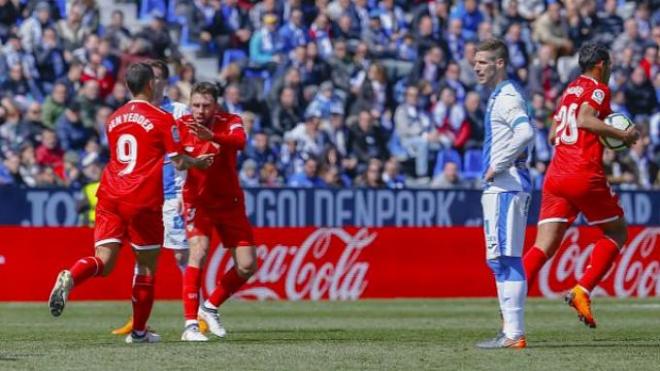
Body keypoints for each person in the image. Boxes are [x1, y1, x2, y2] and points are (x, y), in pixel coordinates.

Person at [47, 63, 213, 344]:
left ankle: (72, 277)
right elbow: (179, 160)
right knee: (146, 268)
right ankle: (138, 333)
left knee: (104, 261)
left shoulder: (113, 118)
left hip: (110, 194)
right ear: (150, 85)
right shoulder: (162, 118)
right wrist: (199, 162)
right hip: (142, 199)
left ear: (128, 87)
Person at [522, 43, 640, 328]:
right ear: (600, 64)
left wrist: (593, 136)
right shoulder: (598, 88)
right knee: (616, 231)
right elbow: (585, 119)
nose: (610, 70)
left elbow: (553, 135)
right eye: (609, 65)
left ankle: (511, 299)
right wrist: (621, 135)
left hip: (555, 175)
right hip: (582, 173)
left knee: (544, 245)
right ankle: (582, 289)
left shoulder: (570, 90)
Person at [110, 59, 206, 336]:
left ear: (164, 82)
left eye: (160, 78)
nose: (155, 83)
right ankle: (137, 319)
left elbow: (189, 147)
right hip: (144, 195)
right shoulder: (133, 112)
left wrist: (187, 188)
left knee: (181, 254)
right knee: (142, 257)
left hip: (173, 192)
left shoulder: (177, 111)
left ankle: (195, 316)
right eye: (152, 78)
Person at [177, 82, 258, 341]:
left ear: (216, 105)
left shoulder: (230, 121)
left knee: (247, 265)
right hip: (198, 203)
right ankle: (190, 325)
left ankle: (209, 307)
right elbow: (176, 160)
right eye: (196, 105)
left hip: (230, 203)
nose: (200, 110)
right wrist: (193, 163)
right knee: (197, 254)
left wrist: (211, 137)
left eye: (206, 105)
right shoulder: (181, 126)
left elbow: (240, 142)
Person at [473, 39, 535, 350]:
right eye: (475, 61)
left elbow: (525, 133)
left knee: (506, 259)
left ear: (499, 64)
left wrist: (497, 165)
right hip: (505, 187)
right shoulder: (501, 96)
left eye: (483, 62)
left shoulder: (507, 97)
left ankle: (514, 334)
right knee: (500, 260)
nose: (476, 67)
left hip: (506, 187)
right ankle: (511, 331)